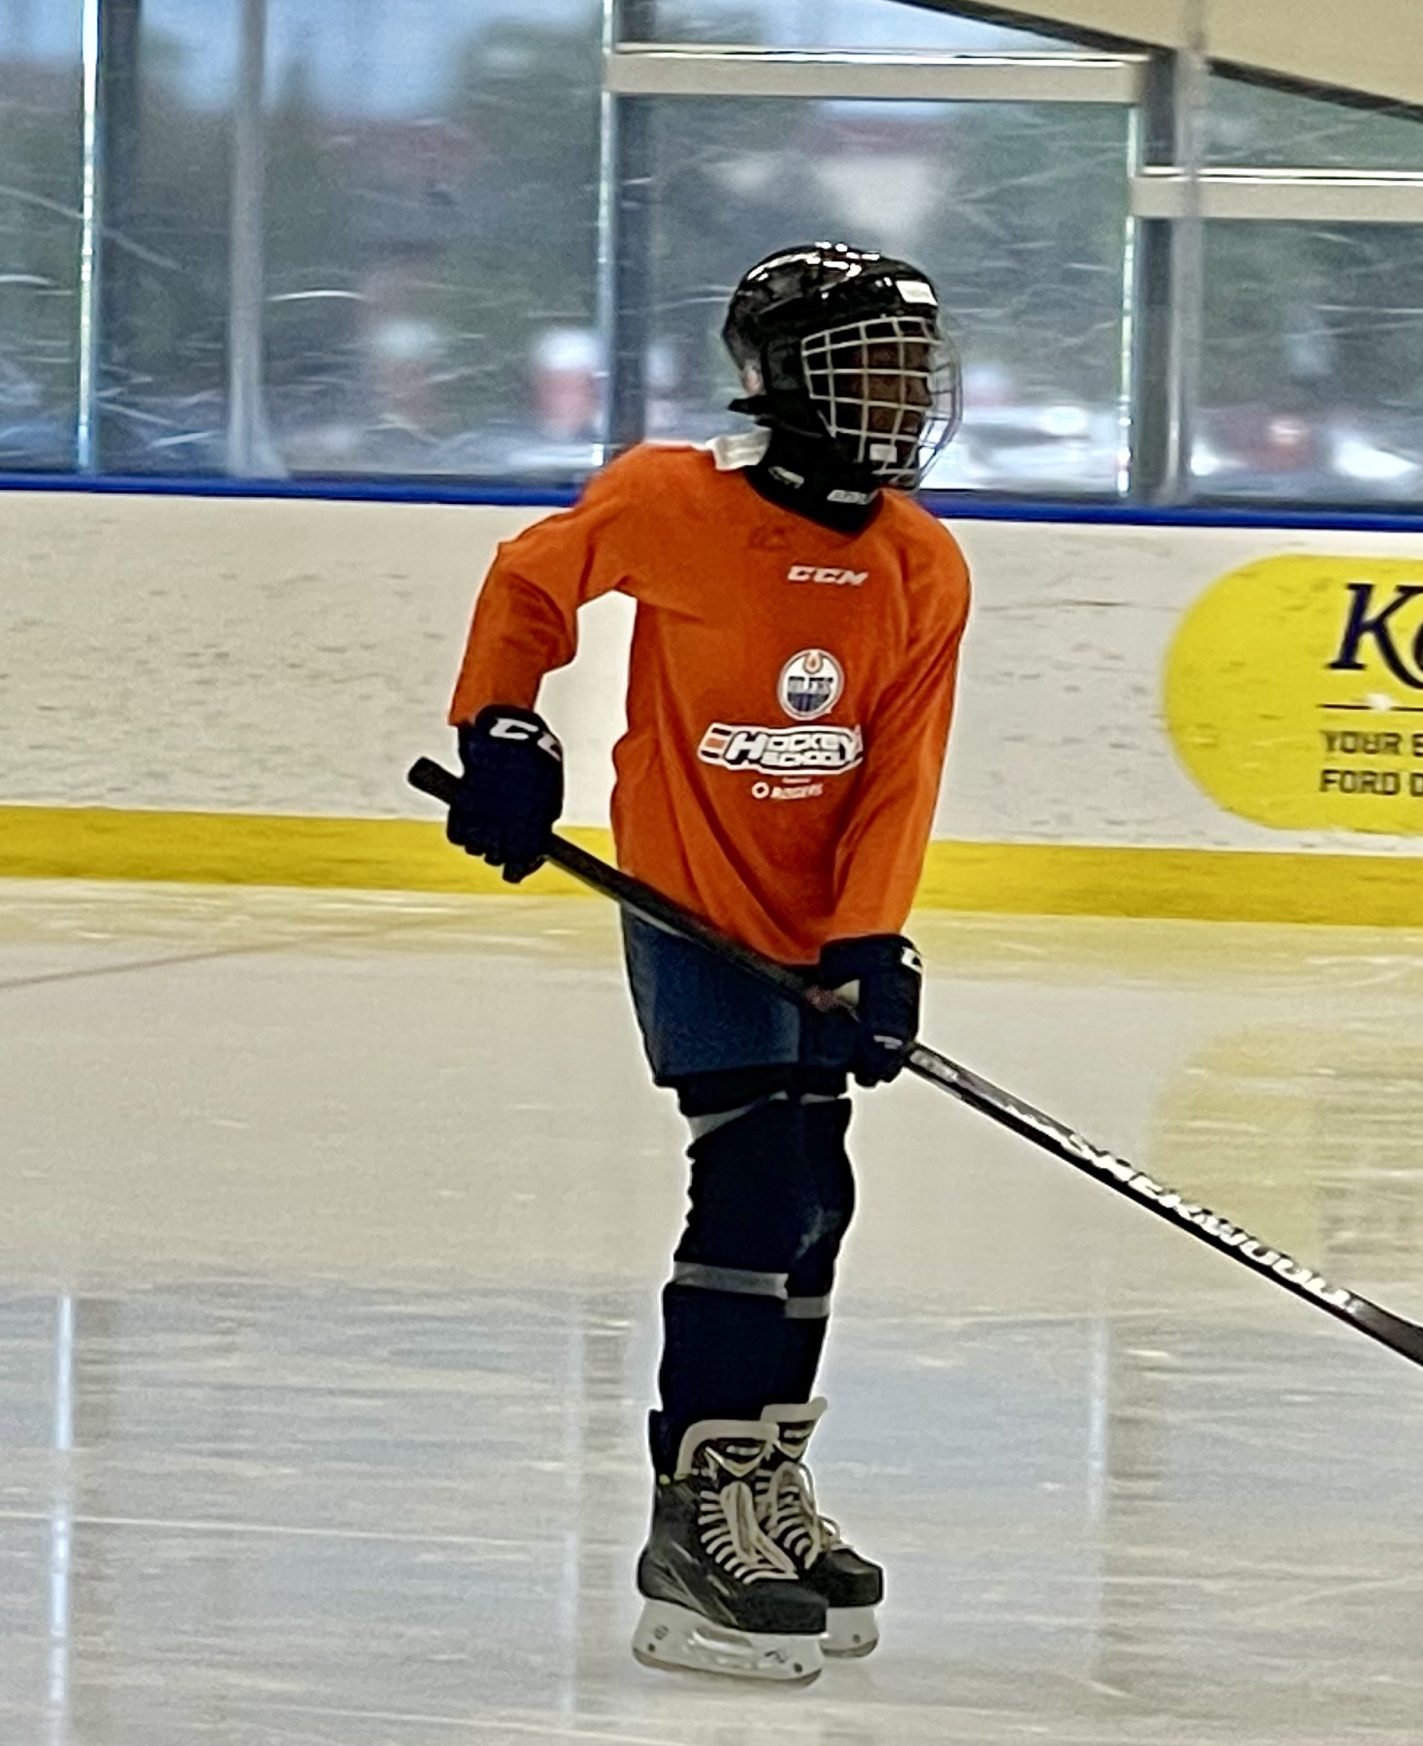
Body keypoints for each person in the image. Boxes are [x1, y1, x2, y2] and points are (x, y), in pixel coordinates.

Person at [441, 243, 971, 1684]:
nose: (902, 395)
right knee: (755, 1178)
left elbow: (897, 776)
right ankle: (693, 1513)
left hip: (816, 925)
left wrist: (876, 934)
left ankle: (761, 1480)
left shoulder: (921, 562)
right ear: (782, 377)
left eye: (915, 367)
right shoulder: (672, 499)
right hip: (692, 902)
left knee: (821, 1187)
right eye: (870, 366)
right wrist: (505, 728)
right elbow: (530, 580)